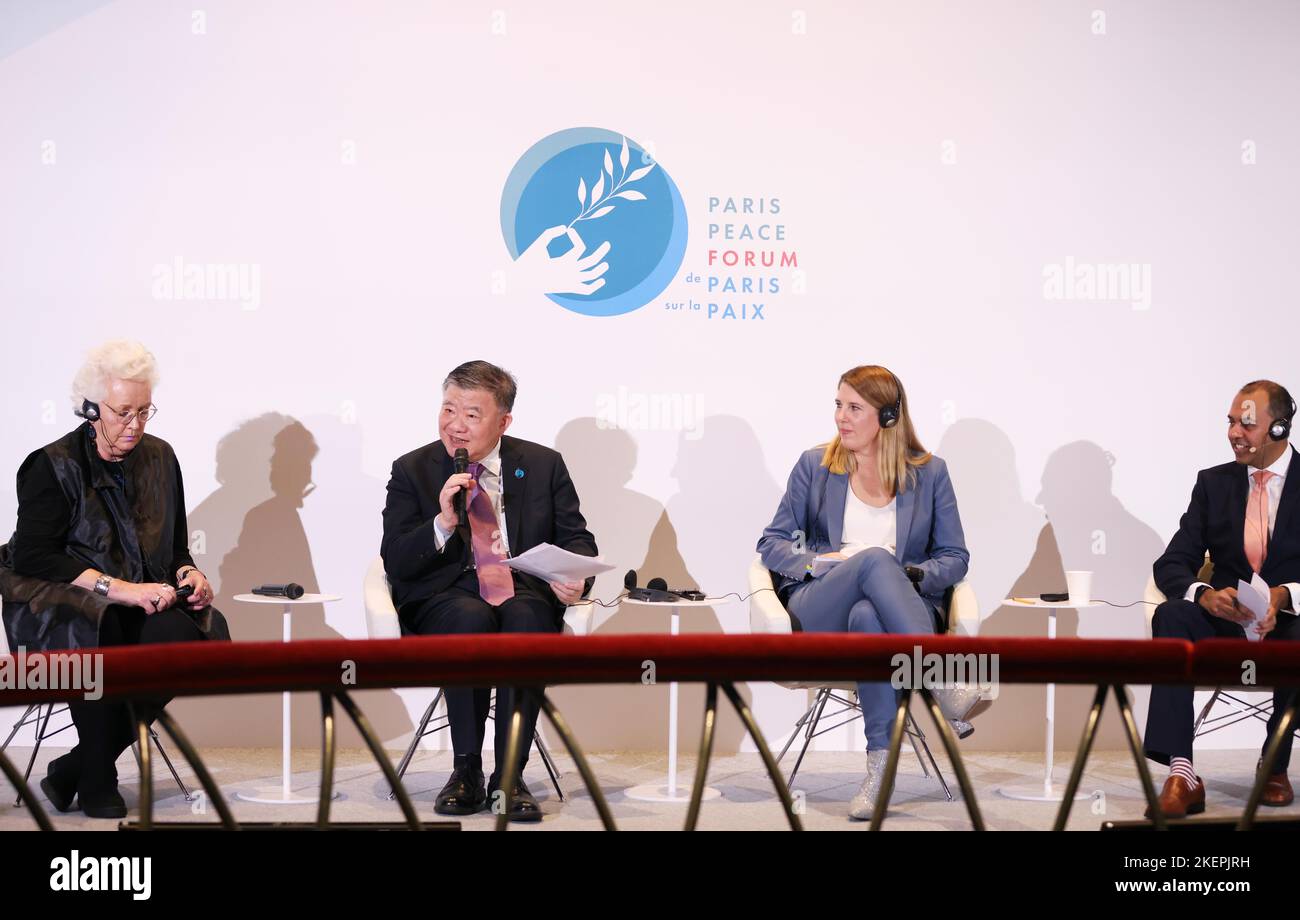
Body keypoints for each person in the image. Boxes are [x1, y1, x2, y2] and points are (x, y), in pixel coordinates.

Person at [0, 340, 229, 819]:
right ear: (89, 408)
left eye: (145, 411)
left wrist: (189, 573)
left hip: (140, 601)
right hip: (65, 605)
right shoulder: (52, 465)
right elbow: (33, 555)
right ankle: (97, 777)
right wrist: (120, 590)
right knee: (102, 630)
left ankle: (80, 765)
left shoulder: (161, 459)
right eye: (124, 412)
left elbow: (174, 549)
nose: (136, 425)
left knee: (206, 632)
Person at [381, 360, 597, 821]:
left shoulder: (542, 465)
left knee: (524, 618)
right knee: (470, 618)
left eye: (472, 415)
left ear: (503, 421)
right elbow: (395, 558)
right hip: (444, 598)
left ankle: (509, 777)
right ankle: (465, 770)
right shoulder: (412, 470)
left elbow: (578, 539)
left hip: (521, 592)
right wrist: (442, 523)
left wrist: (575, 577)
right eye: (448, 409)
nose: (455, 426)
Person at [757, 364, 974, 820]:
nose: (841, 417)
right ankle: (940, 677)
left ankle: (878, 775)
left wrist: (908, 578)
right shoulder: (814, 467)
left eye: (854, 407)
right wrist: (815, 563)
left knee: (868, 617)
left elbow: (954, 556)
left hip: (896, 616)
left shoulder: (931, 474)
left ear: (889, 417)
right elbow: (771, 542)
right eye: (838, 405)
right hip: (820, 607)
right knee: (873, 559)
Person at [1145, 380, 1300, 817]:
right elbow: (1172, 563)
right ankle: (1182, 771)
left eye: (1246, 423)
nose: (1234, 432)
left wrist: (1285, 594)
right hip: (1228, 622)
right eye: (1230, 422)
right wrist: (1205, 593)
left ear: (1278, 428)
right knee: (1173, 615)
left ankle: (1275, 763)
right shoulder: (1213, 484)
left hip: (1288, 624)